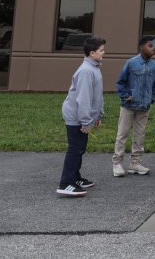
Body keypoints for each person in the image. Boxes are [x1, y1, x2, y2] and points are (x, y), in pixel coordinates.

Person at [56, 36, 106, 197]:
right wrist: (86, 122)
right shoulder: (86, 71)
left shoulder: (94, 68)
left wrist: (98, 115)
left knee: (80, 148)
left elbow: (97, 95)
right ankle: (66, 183)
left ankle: (75, 178)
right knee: (75, 149)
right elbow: (83, 99)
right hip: (76, 116)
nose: (104, 52)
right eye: (101, 50)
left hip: (83, 116)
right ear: (92, 53)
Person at [112, 35, 155, 177]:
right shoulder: (131, 63)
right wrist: (126, 96)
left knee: (140, 135)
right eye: (150, 46)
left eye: (154, 46)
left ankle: (135, 163)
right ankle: (117, 163)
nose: (153, 49)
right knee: (122, 134)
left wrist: (152, 98)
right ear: (142, 47)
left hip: (144, 107)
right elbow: (120, 82)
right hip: (128, 106)